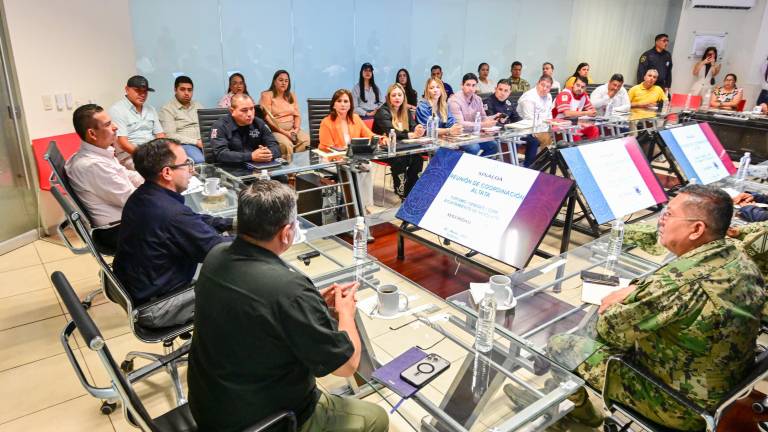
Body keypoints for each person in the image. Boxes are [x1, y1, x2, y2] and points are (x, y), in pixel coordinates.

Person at [546, 185, 765, 430]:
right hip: (724, 389)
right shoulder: (738, 256)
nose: (662, 219)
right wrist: (639, 289)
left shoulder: (677, 284)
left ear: (696, 229)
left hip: (679, 404)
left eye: (669, 214)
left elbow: (610, 331)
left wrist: (632, 295)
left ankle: (581, 413)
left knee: (561, 345)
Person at [187, 181, 389, 432]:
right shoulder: (288, 289)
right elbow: (346, 365)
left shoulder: (216, 255)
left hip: (208, 403)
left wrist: (311, 304)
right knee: (375, 417)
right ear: (286, 233)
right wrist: (346, 313)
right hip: (260, 420)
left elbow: (257, 309)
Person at [113, 138, 233, 329]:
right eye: (186, 164)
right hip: (158, 307)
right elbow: (219, 251)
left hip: (140, 288)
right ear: (167, 172)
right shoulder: (171, 214)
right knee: (244, 285)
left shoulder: (144, 195)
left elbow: (193, 220)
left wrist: (231, 223)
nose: (191, 170)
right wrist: (257, 234)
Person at [65, 104, 144, 249]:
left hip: (126, 220)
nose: (115, 127)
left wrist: (153, 178)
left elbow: (126, 174)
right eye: (108, 124)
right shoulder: (93, 166)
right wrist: (160, 187)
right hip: (118, 231)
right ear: (92, 134)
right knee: (180, 227)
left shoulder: (99, 153)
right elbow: (132, 200)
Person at [319, 89, 384, 212]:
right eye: (339, 101)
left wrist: (381, 139)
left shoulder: (355, 118)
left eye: (346, 101)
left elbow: (369, 134)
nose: (343, 104)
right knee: (354, 169)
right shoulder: (326, 122)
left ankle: (363, 206)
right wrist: (344, 157)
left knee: (367, 166)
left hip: (352, 158)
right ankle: (352, 207)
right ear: (334, 104)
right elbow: (326, 147)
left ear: (350, 105)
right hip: (332, 160)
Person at [372, 83, 426, 199]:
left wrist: (418, 128)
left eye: (400, 95)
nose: (397, 98)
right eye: (394, 95)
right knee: (401, 159)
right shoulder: (382, 112)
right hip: (383, 149)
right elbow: (392, 132)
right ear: (388, 97)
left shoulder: (405, 111)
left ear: (403, 97)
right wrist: (411, 135)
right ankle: (401, 192)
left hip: (402, 147)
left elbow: (413, 126)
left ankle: (410, 191)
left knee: (417, 158)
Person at [108, 75, 165, 170]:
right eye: (138, 91)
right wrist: (145, 155)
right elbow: (123, 143)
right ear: (127, 89)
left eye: (145, 91)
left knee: (179, 164)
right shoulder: (117, 110)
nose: (142, 95)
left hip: (153, 153)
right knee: (156, 170)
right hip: (131, 156)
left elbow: (160, 135)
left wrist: (162, 152)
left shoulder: (151, 109)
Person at [210, 94, 281, 164]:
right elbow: (220, 154)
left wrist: (267, 153)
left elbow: (275, 146)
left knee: (282, 175)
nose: (250, 114)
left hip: (257, 166)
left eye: (252, 108)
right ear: (232, 111)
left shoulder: (258, 123)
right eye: (244, 110)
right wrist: (250, 156)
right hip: (232, 168)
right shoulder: (220, 126)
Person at [485, 79, 540, 167]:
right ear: (495, 89)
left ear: (510, 92)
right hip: (497, 135)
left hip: (511, 132)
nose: (502, 93)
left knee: (534, 141)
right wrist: (510, 128)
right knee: (515, 141)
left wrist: (527, 128)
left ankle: (528, 167)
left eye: (506, 90)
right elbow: (490, 123)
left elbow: (517, 118)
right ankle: (510, 166)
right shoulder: (488, 102)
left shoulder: (509, 102)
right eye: (500, 89)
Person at [259, 70, 309, 162]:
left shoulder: (291, 95)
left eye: (286, 81)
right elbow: (267, 119)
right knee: (286, 144)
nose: (284, 83)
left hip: (293, 129)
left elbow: (297, 115)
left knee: (307, 140)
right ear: (274, 81)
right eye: (281, 80)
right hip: (275, 130)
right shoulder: (267, 95)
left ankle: (297, 166)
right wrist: (285, 133)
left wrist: (296, 130)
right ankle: (289, 173)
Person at [447, 73, 501, 156]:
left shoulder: (478, 99)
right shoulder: (454, 100)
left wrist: (495, 117)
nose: (471, 88)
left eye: (473, 85)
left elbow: (483, 117)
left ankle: (478, 166)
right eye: (468, 85)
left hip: (474, 134)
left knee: (493, 145)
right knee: (474, 148)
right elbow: (460, 124)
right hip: (459, 135)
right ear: (462, 85)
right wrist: (483, 124)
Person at [159, 75, 205, 164]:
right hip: (185, 144)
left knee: (223, 154)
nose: (187, 93)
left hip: (203, 141)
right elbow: (170, 135)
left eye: (189, 90)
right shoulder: (167, 109)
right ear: (175, 90)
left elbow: (206, 125)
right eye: (182, 89)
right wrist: (196, 142)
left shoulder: (198, 105)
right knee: (200, 160)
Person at [555, 76, 598, 140]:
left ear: (585, 88)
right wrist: (586, 113)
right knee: (575, 134)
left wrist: (593, 113)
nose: (579, 88)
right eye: (578, 85)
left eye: (582, 87)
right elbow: (567, 113)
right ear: (573, 84)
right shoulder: (565, 93)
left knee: (594, 129)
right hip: (560, 125)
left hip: (575, 124)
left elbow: (593, 111)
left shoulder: (584, 95)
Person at [517, 75, 555, 148]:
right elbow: (529, 119)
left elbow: (549, 114)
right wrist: (544, 131)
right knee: (546, 138)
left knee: (558, 133)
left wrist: (552, 126)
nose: (544, 89)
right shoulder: (529, 97)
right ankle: (543, 158)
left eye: (548, 87)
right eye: (542, 85)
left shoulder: (549, 96)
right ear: (538, 83)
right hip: (527, 128)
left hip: (542, 127)